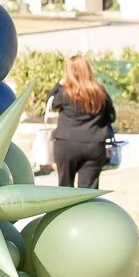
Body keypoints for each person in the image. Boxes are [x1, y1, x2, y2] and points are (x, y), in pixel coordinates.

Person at [45, 54, 118, 191]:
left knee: (65, 189)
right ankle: (87, 212)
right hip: (94, 144)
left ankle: (66, 213)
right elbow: (111, 117)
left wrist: (59, 84)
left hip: (66, 143)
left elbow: (49, 103)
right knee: (88, 191)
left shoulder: (64, 93)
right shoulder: (100, 91)